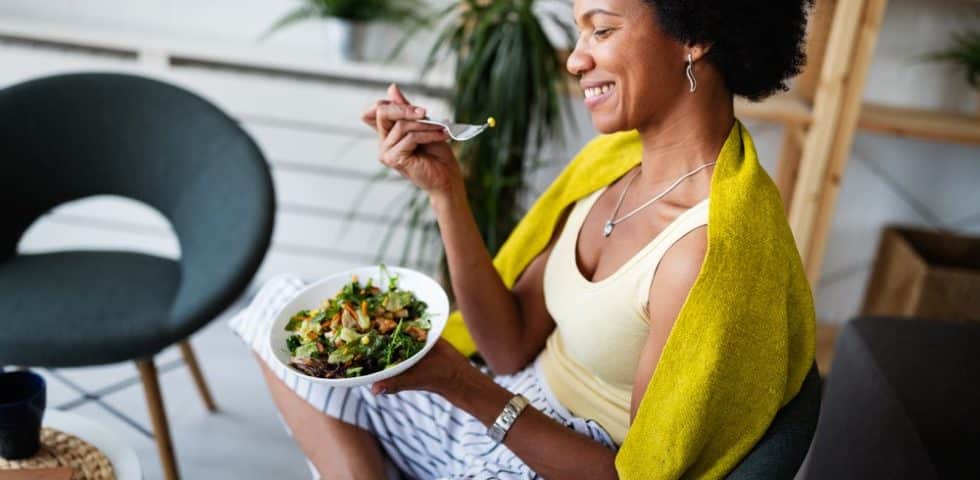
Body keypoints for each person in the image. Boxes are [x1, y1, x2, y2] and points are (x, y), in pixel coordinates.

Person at [230, 0, 814, 478]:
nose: (575, 60)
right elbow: (508, 345)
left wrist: (460, 383)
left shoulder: (704, 253)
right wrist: (445, 193)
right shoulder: (612, 164)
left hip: (555, 459)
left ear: (696, 35)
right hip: (509, 396)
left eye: (602, 30)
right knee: (278, 305)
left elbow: (630, 477)